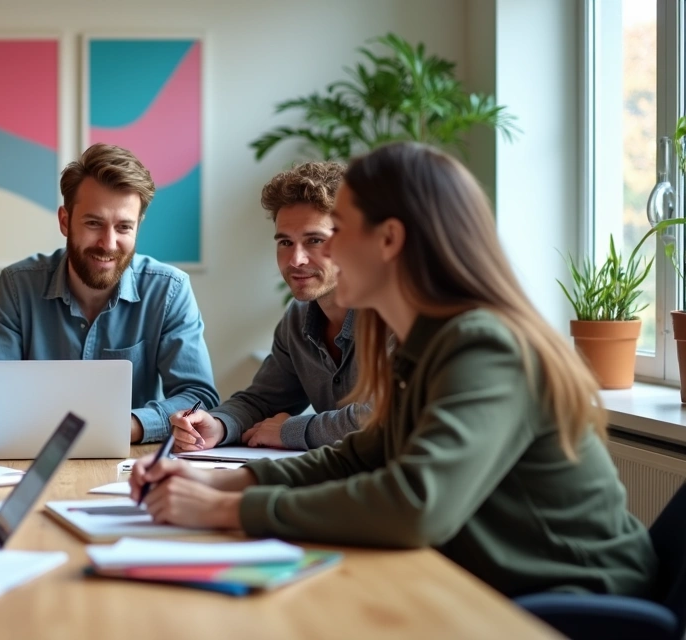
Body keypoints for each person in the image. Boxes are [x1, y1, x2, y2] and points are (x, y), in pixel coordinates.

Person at [129, 142, 655, 597]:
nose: (316, 254)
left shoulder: (484, 346)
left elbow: (415, 503)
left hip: (574, 598)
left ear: (389, 240)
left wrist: (226, 512)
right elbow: (356, 458)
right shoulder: (426, 343)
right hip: (490, 583)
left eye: (339, 231)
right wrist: (222, 483)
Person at [0, 143, 219, 444]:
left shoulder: (169, 290)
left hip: (133, 465)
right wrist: (2, 431)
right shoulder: (18, 286)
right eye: (94, 223)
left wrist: (125, 426)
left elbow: (199, 397)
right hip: (27, 456)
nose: (108, 243)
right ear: (65, 221)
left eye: (123, 227)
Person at [171, 161, 360, 453]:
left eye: (314, 240)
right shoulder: (298, 320)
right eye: (285, 242)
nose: (295, 260)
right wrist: (218, 425)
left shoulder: (395, 313)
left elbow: (385, 418)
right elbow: (264, 401)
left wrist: (291, 431)